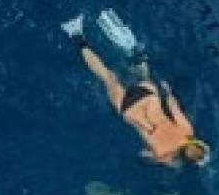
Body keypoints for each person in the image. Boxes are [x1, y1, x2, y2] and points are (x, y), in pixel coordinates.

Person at [63, 10, 209, 167]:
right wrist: (167, 160)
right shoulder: (163, 156)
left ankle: (138, 57)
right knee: (107, 77)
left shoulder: (187, 131)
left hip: (147, 97)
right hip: (128, 109)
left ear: (197, 143)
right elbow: (143, 154)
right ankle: (76, 33)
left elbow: (174, 106)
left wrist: (167, 92)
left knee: (144, 77)